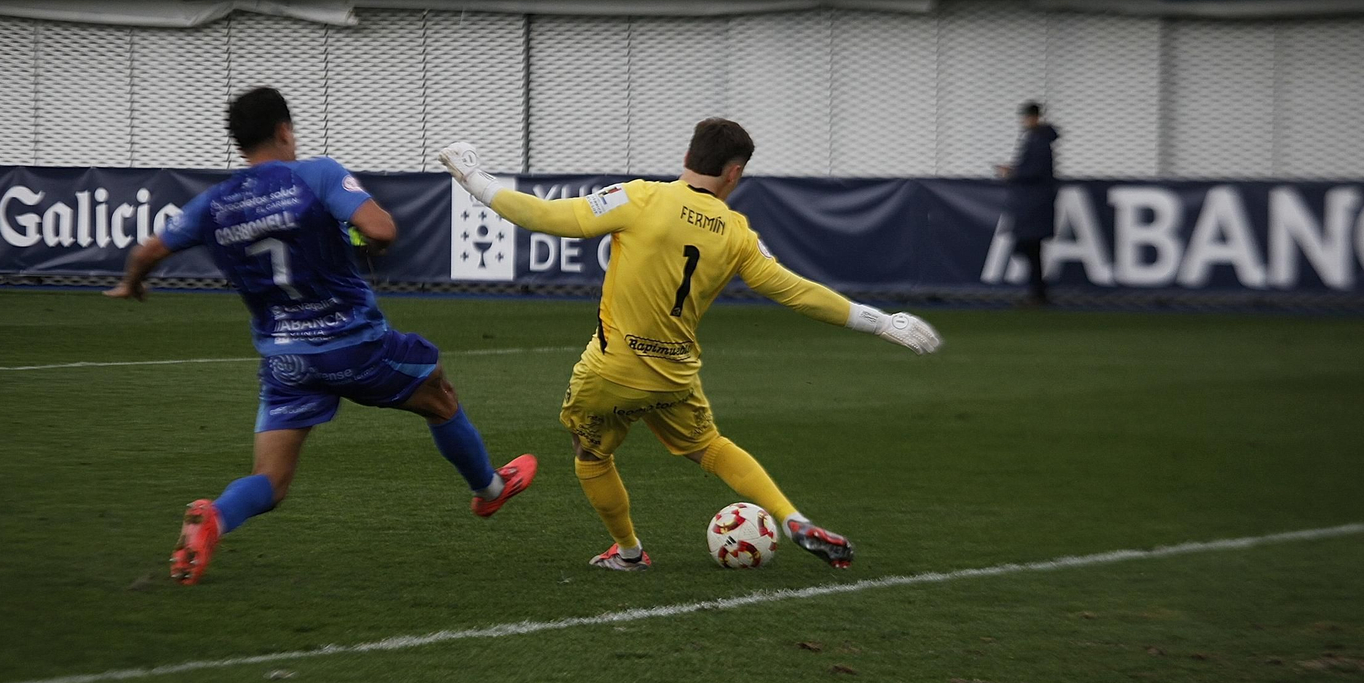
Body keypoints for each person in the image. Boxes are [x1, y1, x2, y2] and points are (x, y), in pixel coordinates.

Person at [437, 119, 942, 573]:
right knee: (710, 447)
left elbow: (545, 217)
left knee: (589, 453)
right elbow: (795, 290)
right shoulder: (739, 233)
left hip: (611, 371)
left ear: (687, 157)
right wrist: (878, 322)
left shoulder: (639, 198)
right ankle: (791, 517)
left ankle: (629, 552)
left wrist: (476, 181)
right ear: (734, 173)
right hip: (675, 376)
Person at [105, 86, 536, 585]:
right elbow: (381, 230)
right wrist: (355, 235)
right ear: (285, 130)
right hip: (354, 343)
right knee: (439, 395)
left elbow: (146, 254)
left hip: (286, 360)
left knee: (271, 480)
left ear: (240, 143)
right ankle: (488, 490)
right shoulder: (316, 175)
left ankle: (214, 517)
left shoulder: (213, 203)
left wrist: (131, 285)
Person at [996, 101, 1059, 307]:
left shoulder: (1037, 141)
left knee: (1027, 247)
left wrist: (1012, 173)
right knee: (1033, 250)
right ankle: (1038, 293)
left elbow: (1034, 172)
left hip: (1034, 204)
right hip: (1036, 202)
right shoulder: (1039, 139)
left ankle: (1038, 293)